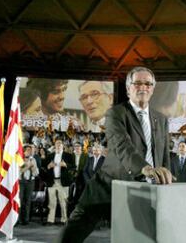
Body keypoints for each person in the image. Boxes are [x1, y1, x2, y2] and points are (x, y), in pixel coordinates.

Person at [58, 67, 172, 243]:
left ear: (153, 88)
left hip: (144, 191)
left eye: (148, 83)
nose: (143, 87)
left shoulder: (161, 119)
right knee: (70, 237)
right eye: (138, 83)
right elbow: (122, 146)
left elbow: (163, 157)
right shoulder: (115, 113)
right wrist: (146, 169)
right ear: (128, 88)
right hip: (107, 188)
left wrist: (166, 177)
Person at [43, 139, 74, 225]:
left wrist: (66, 165)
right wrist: (49, 166)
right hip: (52, 181)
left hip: (63, 181)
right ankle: (50, 220)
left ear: (63, 146)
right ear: (55, 145)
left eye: (60, 143)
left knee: (63, 202)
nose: (59, 145)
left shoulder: (68, 156)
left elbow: (73, 167)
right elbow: (44, 167)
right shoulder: (50, 156)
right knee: (52, 202)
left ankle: (64, 220)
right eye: (57, 143)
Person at [19, 145, 39, 225]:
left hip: (30, 182)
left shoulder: (33, 159)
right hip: (21, 182)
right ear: (23, 151)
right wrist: (28, 166)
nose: (29, 151)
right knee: (20, 200)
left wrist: (33, 168)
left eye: (30, 150)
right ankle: (19, 219)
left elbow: (36, 173)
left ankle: (26, 219)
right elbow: (19, 171)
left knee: (28, 201)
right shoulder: (20, 159)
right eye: (27, 150)